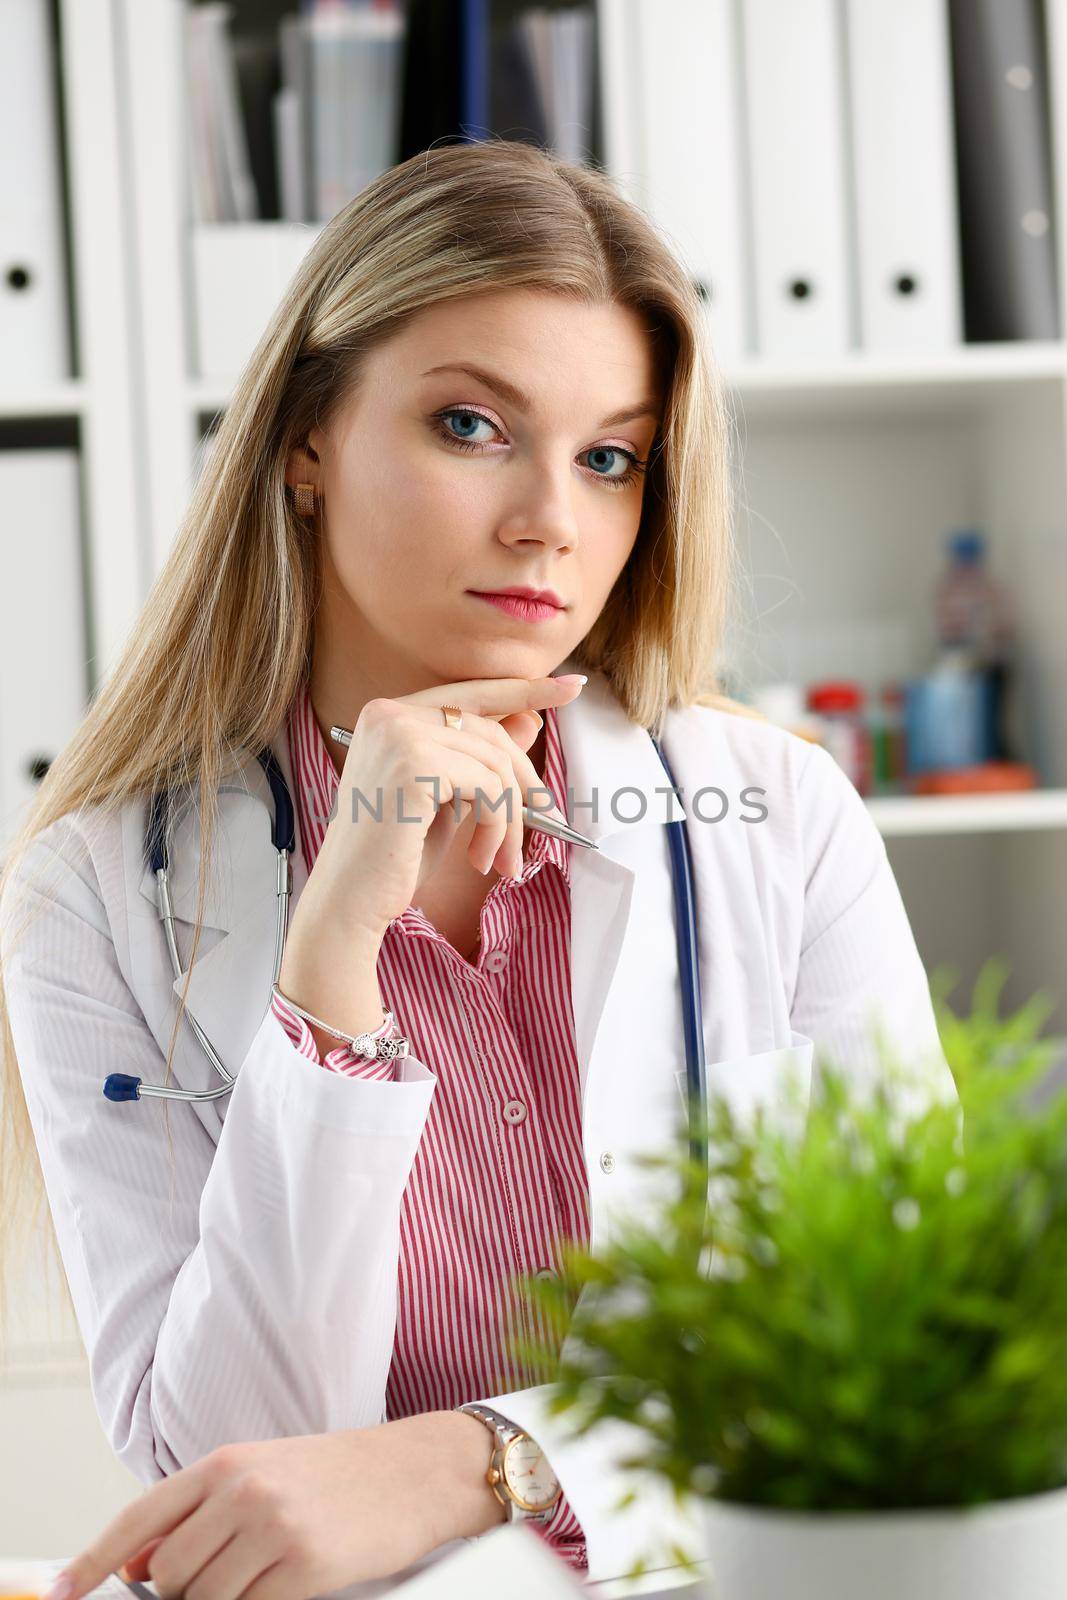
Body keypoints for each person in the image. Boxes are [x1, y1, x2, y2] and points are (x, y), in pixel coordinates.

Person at [0, 139, 958, 1600]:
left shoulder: (775, 817)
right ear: (307, 441)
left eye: (610, 457)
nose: (551, 523)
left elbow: (904, 1354)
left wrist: (485, 1458)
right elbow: (234, 1477)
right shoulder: (94, 890)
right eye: (468, 424)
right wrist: (327, 972)